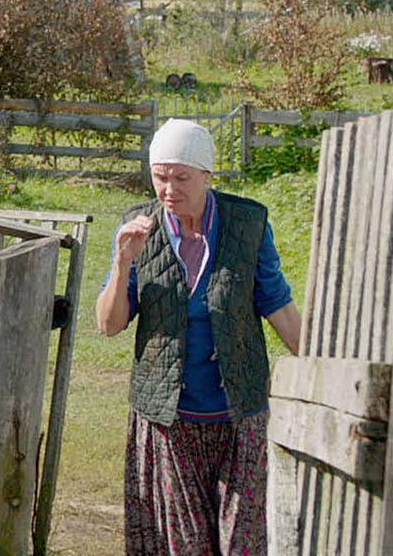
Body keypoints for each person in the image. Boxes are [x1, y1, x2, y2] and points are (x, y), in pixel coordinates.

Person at [96, 118, 302, 556]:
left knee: (244, 542)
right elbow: (109, 324)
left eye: (181, 178)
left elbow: (277, 304)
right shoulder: (138, 227)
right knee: (184, 547)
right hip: (169, 422)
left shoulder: (247, 224)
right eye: (160, 177)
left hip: (238, 415)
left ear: (208, 175)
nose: (169, 189)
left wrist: (321, 369)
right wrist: (123, 264)